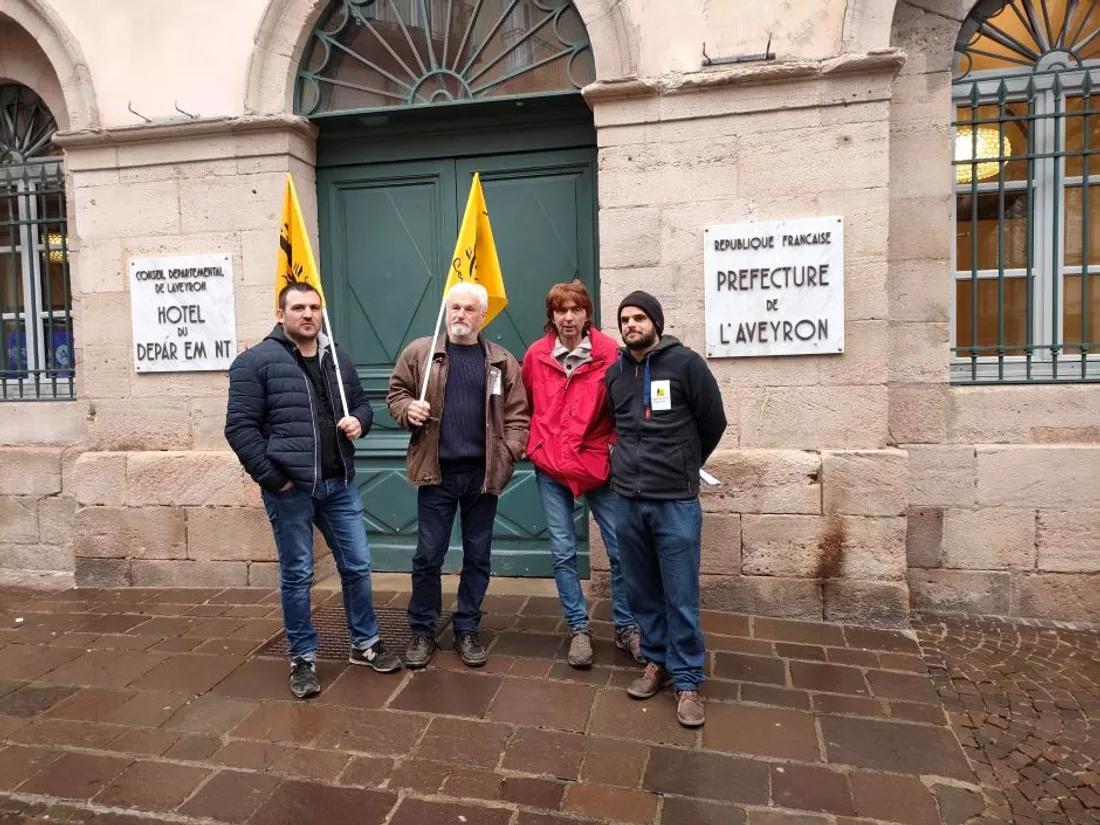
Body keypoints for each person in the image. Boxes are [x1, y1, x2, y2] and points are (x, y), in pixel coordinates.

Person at [224, 283, 401, 700]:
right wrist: (276, 479)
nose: (308, 314)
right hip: (292, 489)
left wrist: (360, 422)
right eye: (299, 307)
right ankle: (301, 656)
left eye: (315, 307)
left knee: (357, 565)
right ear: (281, 313)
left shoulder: (335, 358)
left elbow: (361, 405)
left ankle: (365, 642)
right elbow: (240, 428)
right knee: (298, 573)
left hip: (339, 483)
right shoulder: (255, 362)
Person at [387, 281, 529, 669]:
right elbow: (396, 393)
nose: (460, 316)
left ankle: (467, 627)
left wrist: (510, 451)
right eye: (454, 308)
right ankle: (422, 630)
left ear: (483, 316)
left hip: (483, 476)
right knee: (428, 555)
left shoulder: (500, 360)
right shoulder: (422, 352)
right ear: (445, 311)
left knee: (478, 555)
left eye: (469, 309)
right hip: (438, 474)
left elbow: (518, 413)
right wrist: (406, 411)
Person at [605, 291, 727, 728]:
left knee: (680, 594)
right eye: (624, 319)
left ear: (656, 321)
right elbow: (615, 425)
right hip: (628, 502)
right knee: (641, 590)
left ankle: (688, 679)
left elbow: (713, 421)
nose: (631, 325)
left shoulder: (686, 364)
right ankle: (655, 661)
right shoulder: (615, 373)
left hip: (675, 501)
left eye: (639, 318)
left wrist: (685, 465)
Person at [522, 281, 643, 668]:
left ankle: (626, 628)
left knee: (621, 550)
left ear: (587, 313)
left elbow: (627, 407)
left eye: (576, 309)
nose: (568, 317)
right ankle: (578, 628)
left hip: (598, 466)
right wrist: (536, 446)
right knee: (562, 552)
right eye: (561, 311)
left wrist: (611, 446)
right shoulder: (536, 356)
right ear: (552, 315)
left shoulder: (611, 354)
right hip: (552, 467)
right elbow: (525, 405)